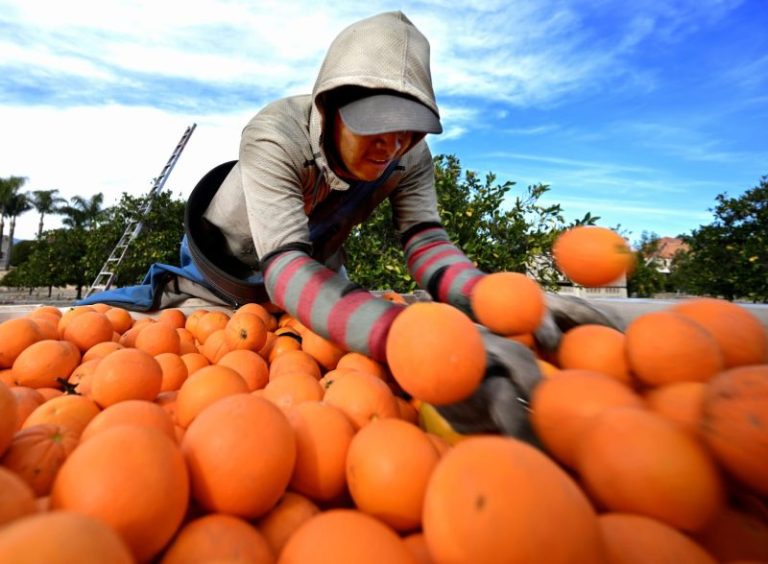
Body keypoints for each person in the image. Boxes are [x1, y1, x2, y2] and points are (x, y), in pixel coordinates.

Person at [80, 11, 620, 437]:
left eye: (407, 130)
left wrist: (498, 299)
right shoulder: (274, 135)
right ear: (330, 105)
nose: (392, 146)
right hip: (222, 278)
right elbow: (284, 266)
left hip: (310, 287)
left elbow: (428, 245)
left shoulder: (410, 157)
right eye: (375, 128)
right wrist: (404, 337)